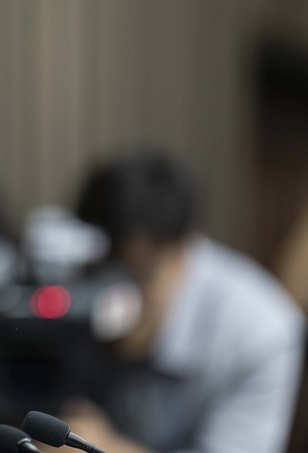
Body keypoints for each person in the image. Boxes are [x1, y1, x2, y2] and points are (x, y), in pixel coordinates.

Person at [59, 151, 306, 453]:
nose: (109, 302)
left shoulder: (259, 331)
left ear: (183, 247)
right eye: (99, 276)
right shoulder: (68, 293)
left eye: (133, 276)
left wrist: (99, 447)